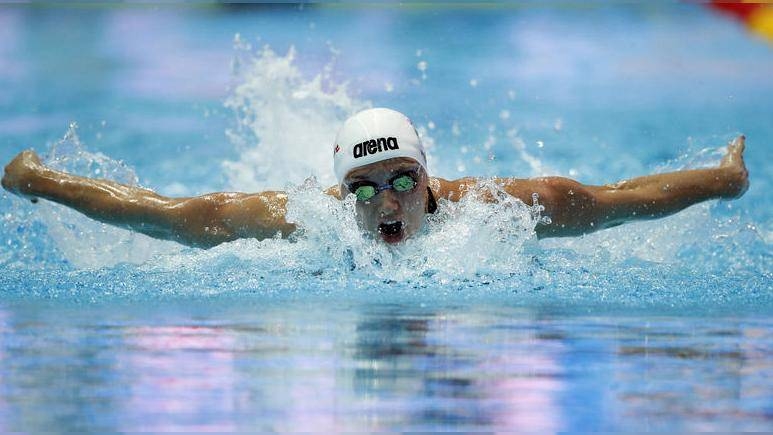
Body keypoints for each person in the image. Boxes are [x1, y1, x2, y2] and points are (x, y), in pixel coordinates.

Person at [1, 108, 749, 248]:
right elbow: (163, 213)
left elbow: (621, 201)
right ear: (339, 193)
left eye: (400, 181)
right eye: (363, 188)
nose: (385, 203)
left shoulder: (501, 210)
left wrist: (721, 182)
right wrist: (39, 178)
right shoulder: (295, 219)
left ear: (428, 182)